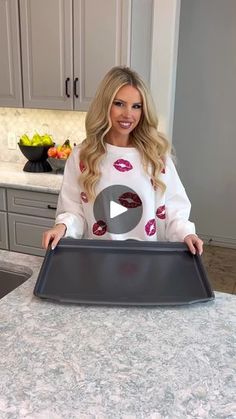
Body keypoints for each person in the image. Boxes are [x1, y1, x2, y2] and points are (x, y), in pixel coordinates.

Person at [42, 66, 203, 255]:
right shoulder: (82, 156)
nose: (128, 114)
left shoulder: (156, 156)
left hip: (147, 262)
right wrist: (62, 227)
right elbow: (75, 211)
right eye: (119, 103)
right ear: (105, 105)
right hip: (99, 261)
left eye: (136, 106)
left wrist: (186, 234)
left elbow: (174, 209)